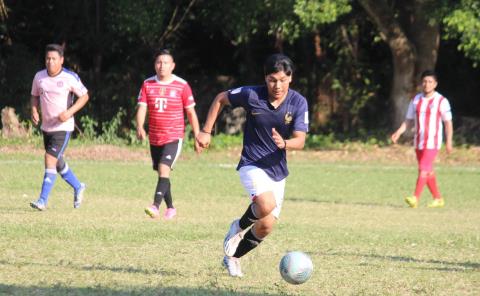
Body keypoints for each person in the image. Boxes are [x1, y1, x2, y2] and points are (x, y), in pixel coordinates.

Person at [196, 53, 309, 277]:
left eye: (282, 80)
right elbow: (221, 99)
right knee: (266, 204)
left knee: (266, 226)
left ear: (291, 78)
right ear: (265, 78)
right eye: (272, 80)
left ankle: (233, 257)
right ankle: (236, 228)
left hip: (278, 170)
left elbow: (301, 140)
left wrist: (284, 143)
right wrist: (206, 131)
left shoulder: (298, 102)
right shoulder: (251, 95)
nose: (277, 85)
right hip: (252, 163)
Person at [136, 49, 201, 220]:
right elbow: (142, 107)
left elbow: (191, 113)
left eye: (165, 63)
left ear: (172, 66)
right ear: (154, 65)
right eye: (159, 62)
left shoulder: (182, 85)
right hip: (155, 137)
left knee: (164, 169)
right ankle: (171, 208)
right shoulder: (147, 84)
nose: (162, 66)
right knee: (162, 173)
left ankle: (155, 206)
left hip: (173, 137)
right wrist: (140, 127)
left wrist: (197, 136)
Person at [30, 44, 89, 210]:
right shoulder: (39, 77)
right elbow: (34, 95)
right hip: (46, 127)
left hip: (63, 127)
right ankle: (78, 186)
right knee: (57, 162)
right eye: (47, 58)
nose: (50, 62)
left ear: (61, 60)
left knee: (49, 158)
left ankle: (42, 200)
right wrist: (34, 110)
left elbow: (84, 96)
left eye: (53, 59)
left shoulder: (70, 77)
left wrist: (69, 113)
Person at [391, 70, 453, 208]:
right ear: (421, 83)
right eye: (424, 81)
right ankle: (438, 198)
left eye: (430, 82)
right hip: (419, 141)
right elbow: (408, 120)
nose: (427, 84)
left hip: (433, 141)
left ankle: (415, 198)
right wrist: (399, 132)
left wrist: (449, 141)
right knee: (427, 170)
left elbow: (448, 123)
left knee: (423, 168)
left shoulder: (441, 101)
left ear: (435, 84)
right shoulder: (416, 100)